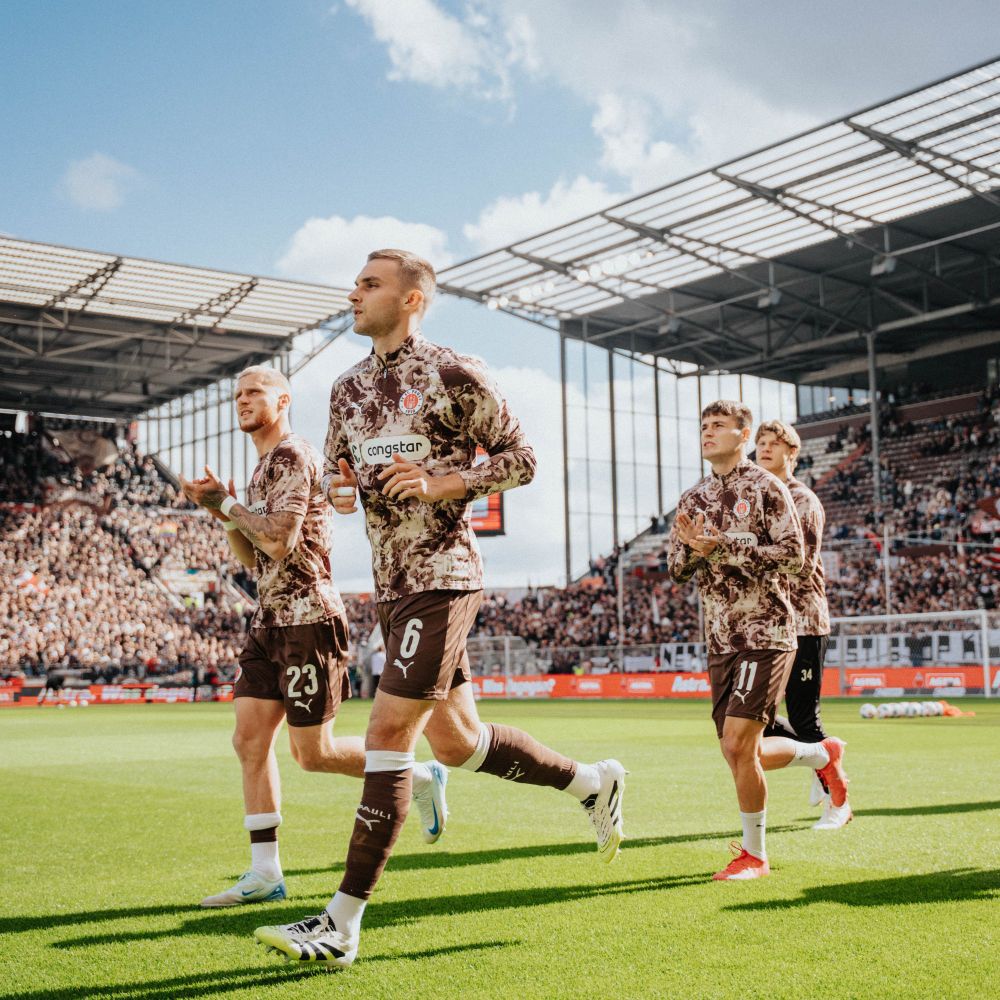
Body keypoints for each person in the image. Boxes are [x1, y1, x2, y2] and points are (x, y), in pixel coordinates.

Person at [254, 248, 625, 968]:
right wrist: (340, 491)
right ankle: (592, 781)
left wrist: (441, 483)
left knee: (388, 731)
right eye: (355, 283)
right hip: (391, 587)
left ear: (412, 299)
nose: (354, 293)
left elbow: (521, 458)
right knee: (457, 745)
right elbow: (338, 477)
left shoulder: (456, 372)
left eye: (370, 284)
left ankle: (340, 924)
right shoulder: (347, 388)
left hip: (445, 576)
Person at [180, 365, 448, 909]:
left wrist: (228, 505)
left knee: (313, 753)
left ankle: (419, 775)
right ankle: (265, 872)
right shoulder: (261, 469)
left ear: (282, 401)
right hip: (268, 620)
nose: (242, 400)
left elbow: (279, 542)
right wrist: (225, 514)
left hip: (308, 620)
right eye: (237, 394)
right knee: (248, 740)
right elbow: (253, 557)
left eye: (255, 392)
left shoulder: (294, 455)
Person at [667, 400, 848, 881]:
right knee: (738, 751)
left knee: (738, 743)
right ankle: (819, 753)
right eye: (703, 425)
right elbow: (676, 569)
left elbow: (795, 558)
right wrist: (694, 550)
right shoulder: (693, 498)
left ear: (742, 435)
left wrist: (723, 547)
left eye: (719, 425)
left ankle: (755, 855)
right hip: (720, 638)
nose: (707, 432)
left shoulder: (768, 488)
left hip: (767, 631)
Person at [754, 420, 852, 831]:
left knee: (803, 716)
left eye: (773, 443)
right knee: (755, 721)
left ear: (791, 452)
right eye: (760, 442)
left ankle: (839, 801)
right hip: (767, 626)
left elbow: (803, 563)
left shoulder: (802, 500)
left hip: (804, 622)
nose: (764, 449)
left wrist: (748, 558)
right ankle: (822, 757)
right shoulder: (758, 499)